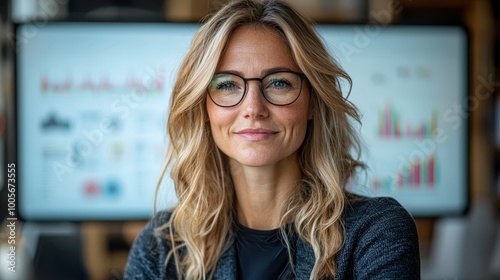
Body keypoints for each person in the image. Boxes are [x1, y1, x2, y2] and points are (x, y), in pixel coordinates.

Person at [124, 0, 420, 279]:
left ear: (313, 102)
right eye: (227, 84)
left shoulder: (376, 231)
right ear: (203, 106)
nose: (253, 108)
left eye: (279, 82)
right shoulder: (161, 245)